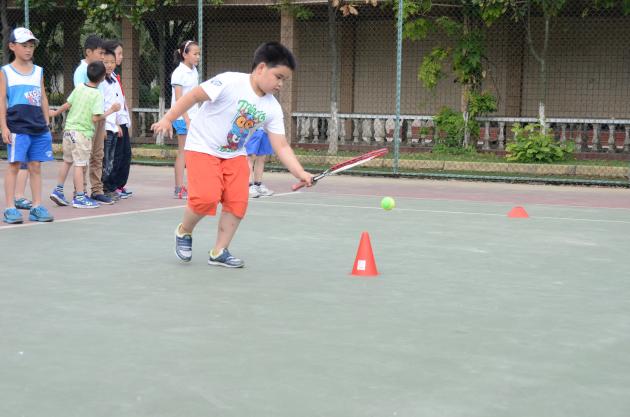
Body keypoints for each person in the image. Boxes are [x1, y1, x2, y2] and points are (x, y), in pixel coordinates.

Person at [151, 41, 313, 268]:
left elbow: (282, 146)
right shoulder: (229, 81)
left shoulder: (272, 108)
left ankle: (219, 251)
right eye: (278, 77)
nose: (281, 84)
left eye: (284, 80)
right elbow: (192, 97)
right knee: (206, 197)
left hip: (235, 153)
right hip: (202, 146)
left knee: (238, 201)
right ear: (261, 68)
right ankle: (184, 230)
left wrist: (299, 172)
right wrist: (168, 118)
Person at [1, 27, 54, 224]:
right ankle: (9, 208)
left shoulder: (38, 71)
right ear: (12, 46)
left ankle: (37, 206)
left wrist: (47, 122)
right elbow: (1, 100)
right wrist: (4, 127)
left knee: (35, 166)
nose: (28, 49)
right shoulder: (6, 72)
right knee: (14, 165)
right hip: (17, 127)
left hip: (39, 127)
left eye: (31, 46)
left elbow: (43, 97)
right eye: (24, 45)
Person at [49, 61, 120, 209]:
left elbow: (68, 104)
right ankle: (80, 197)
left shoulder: (80, 88)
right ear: (102, 78)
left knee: (67, 161)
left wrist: (55, 112)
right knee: (80, 165)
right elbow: (95, 118)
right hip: (82, 134)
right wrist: (111, 110)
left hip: (68, 131)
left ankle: (58, 190)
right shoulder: (97, 94)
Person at [73, 35, 113, 205]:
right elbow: (81, 97)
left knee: (97, 155)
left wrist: (102, 124)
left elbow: (100, 96)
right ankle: (79, 191)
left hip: (99, 118)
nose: (103, 57)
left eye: (104, 53)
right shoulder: (81, 71)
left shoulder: (99, 69)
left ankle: (97, 190)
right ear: (88, 52)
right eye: (100, 53)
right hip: (87, 120)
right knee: (83, 157)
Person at [170, 40, 201, 199]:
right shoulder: (178, 73)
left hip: (194, 116)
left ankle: (188, 186)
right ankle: (178, 188)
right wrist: (186, 119)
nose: (198, 57)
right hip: (182, 117)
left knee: (192, 151)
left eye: (198, 54)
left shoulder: (194, 70)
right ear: (184, 54)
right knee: (183, 151)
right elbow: (179, 99)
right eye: (195, 54)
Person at [102, 39, 132, 199]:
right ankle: (108, 186)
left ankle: (117, 186)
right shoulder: (103, 80)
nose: (120, 57)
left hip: (120, 122)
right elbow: (105, 103)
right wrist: (115, 123)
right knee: (111, 158)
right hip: (111, 124)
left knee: (123, 155)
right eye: (118, 54)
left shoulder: (114, 77)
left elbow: (120, 100)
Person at [246, 128, 275, 198]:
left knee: (262, 157)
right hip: (252, 128)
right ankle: (248, 186)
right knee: (250, 156)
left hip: (264, 129)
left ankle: (258, 185)